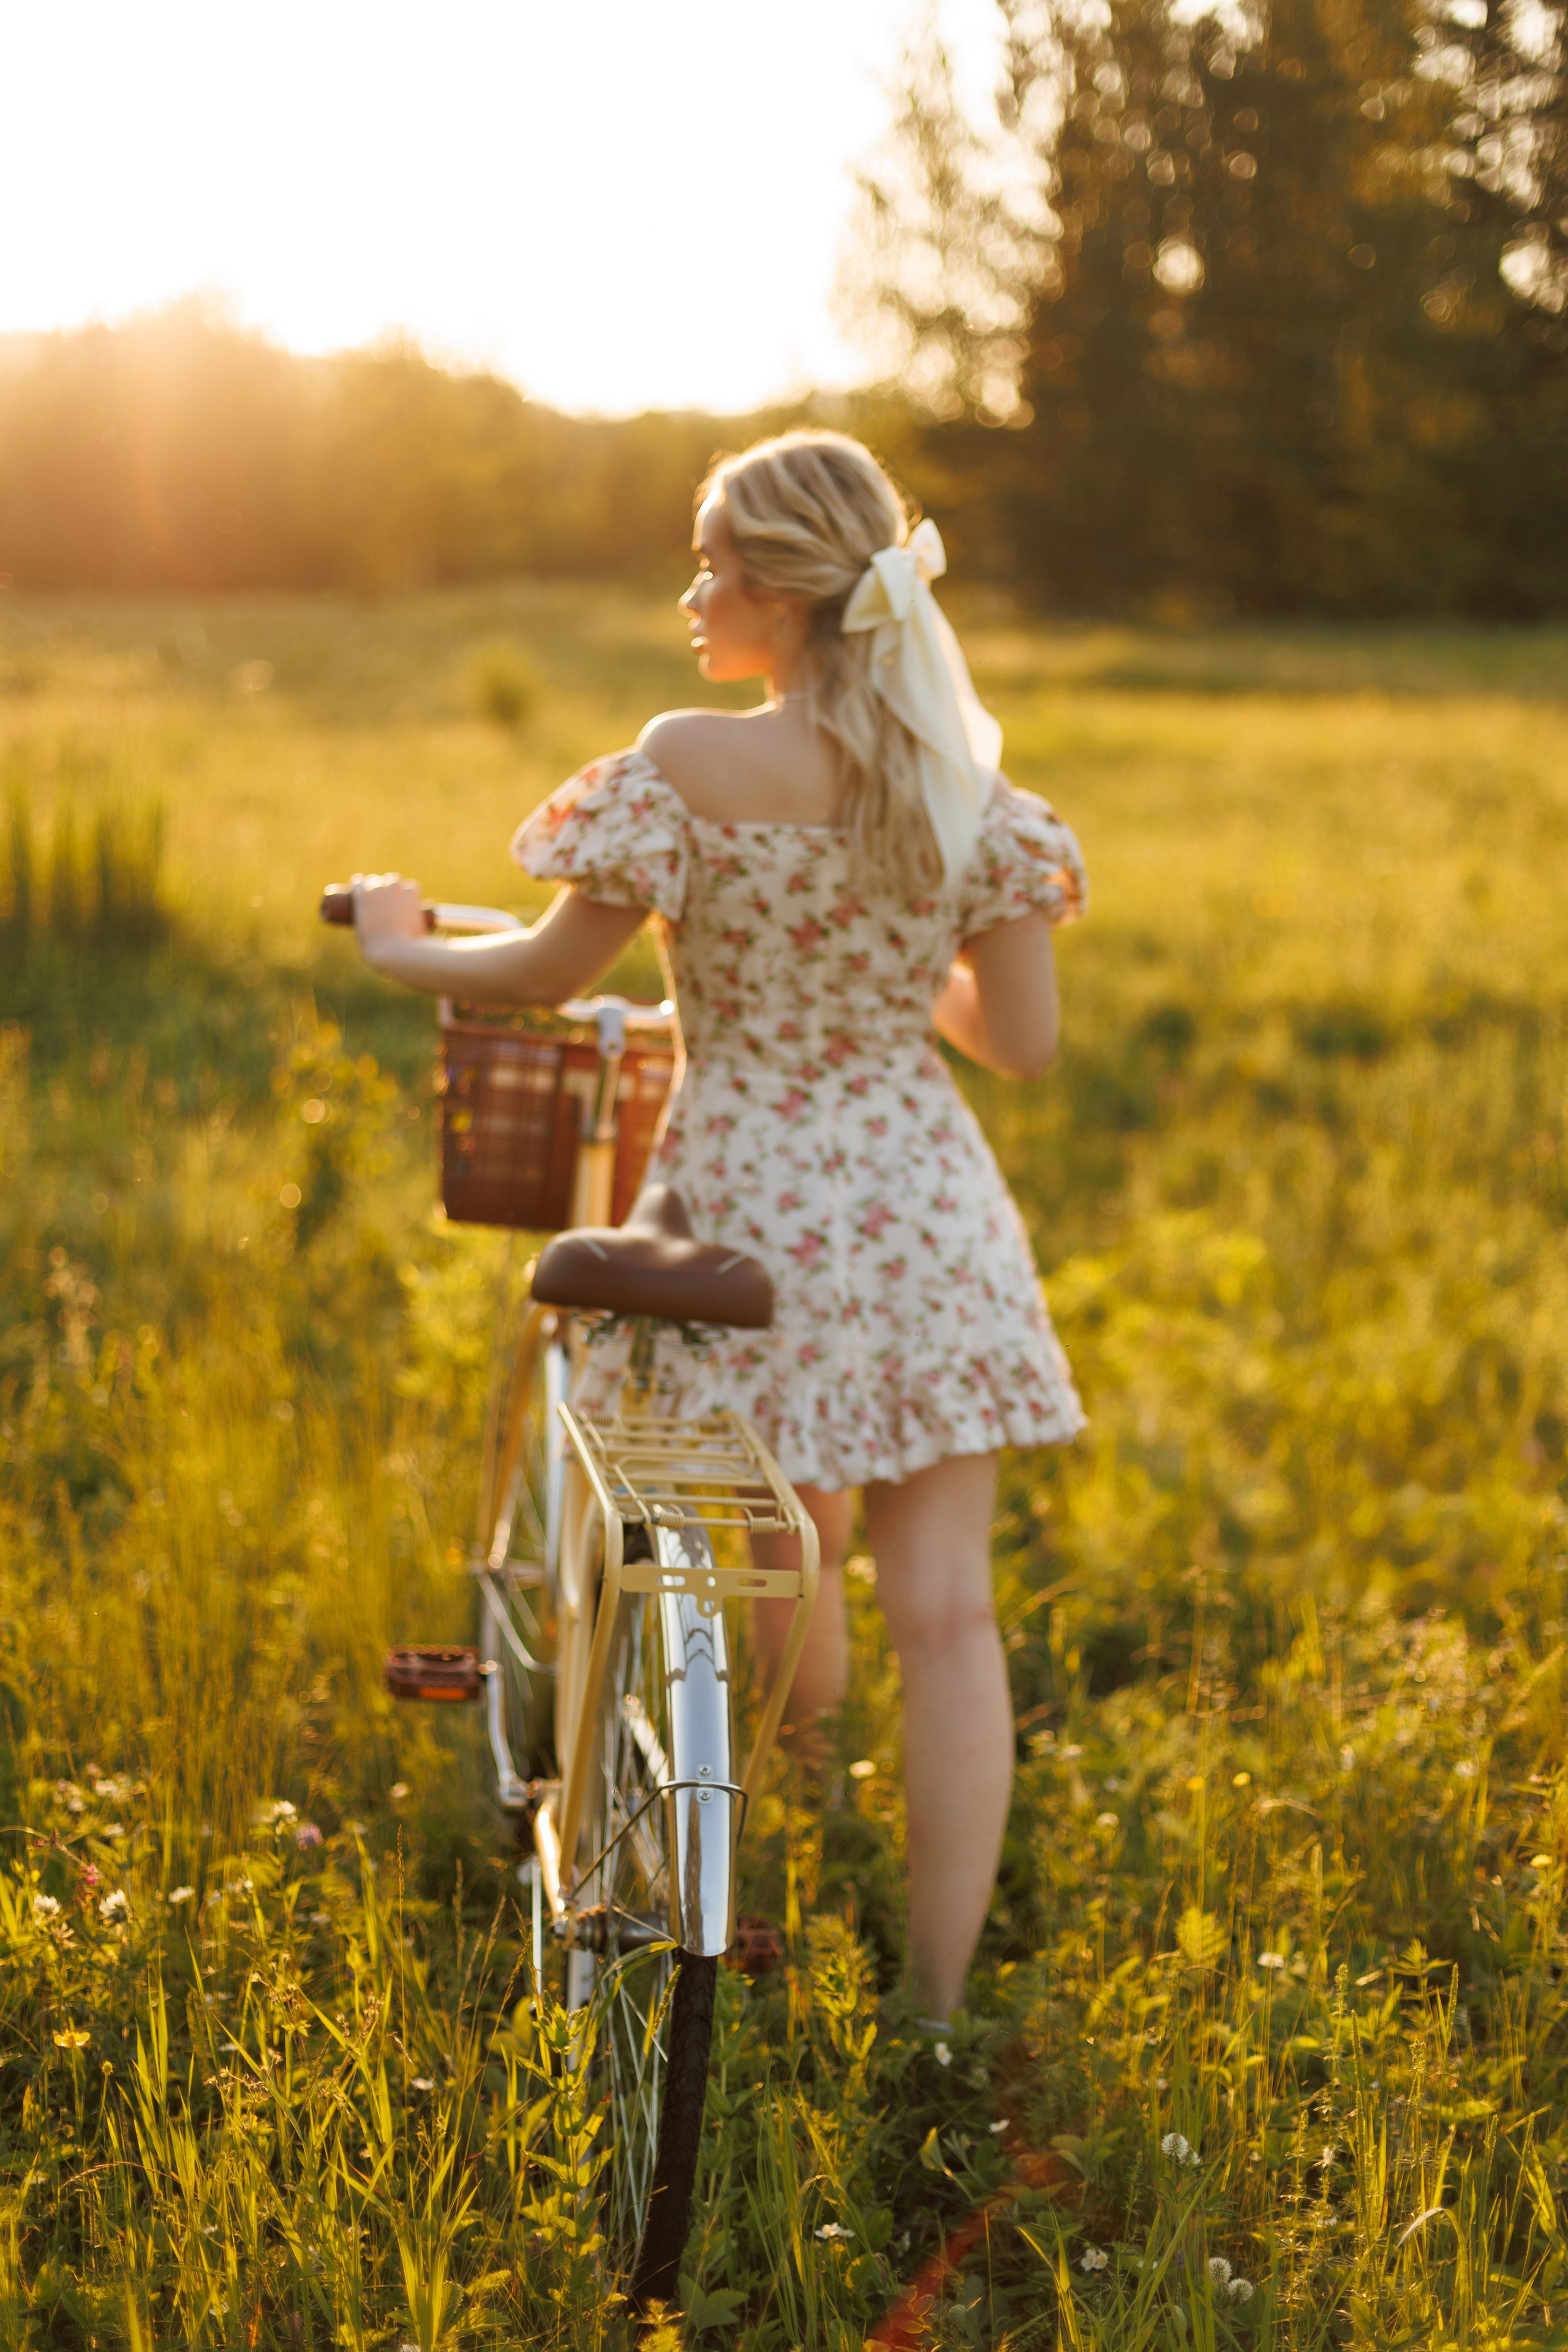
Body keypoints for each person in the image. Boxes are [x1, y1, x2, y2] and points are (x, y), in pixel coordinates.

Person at [349, 429, 1087, 2026]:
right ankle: (939, 2012)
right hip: (925, 1217)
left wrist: (406, 949)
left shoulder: (686, 764)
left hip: (739, 1205)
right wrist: (898, 973)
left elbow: (546, 971)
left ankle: (769, 1808)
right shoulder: (969, 798)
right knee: (949, 1612)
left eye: (712, 569)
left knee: (762, 1542)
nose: (695, 597)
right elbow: (1016, 1045)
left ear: (777, 592)